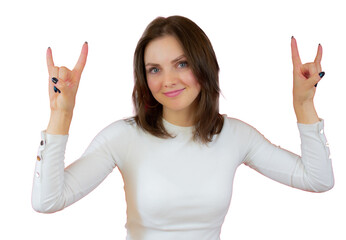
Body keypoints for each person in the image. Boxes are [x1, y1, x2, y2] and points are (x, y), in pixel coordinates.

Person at [32, 16, 334, 240]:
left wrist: (303, 105)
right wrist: (62, 113)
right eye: (155, 69)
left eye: (181, 64)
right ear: (144, 78)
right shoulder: (122, 137)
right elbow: (48, 201)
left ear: (204, 66)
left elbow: (318, 179)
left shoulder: (236, 136)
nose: (168, 81)